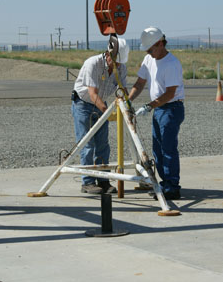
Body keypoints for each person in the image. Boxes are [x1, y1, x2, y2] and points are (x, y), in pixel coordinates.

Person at [128, 27, 185, 200]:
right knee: (158, 149)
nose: (149, 53)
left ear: (160, 43)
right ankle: (165, 183)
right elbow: (140, 82)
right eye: (147, 50)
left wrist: (149, 106)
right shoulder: (148, 59)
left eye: (151, 49)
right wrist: (128, 99)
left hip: (171, 108)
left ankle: (172, 186)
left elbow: (170, 93)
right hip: (160, 108)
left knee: (167, 148)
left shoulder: (171, 63)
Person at [71, 38, 130, 194]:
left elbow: (123, 91)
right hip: (84, 104)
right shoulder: (93, 64)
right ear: (109, 54)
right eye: (115, 62)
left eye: (120, 63)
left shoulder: (122, 68)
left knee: (103, 145)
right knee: (87, 144)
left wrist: (127, 108)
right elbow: (92, 94)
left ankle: (103, 180)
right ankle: (88, 182)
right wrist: (108, 112)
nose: (117, 66)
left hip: (102, 104)